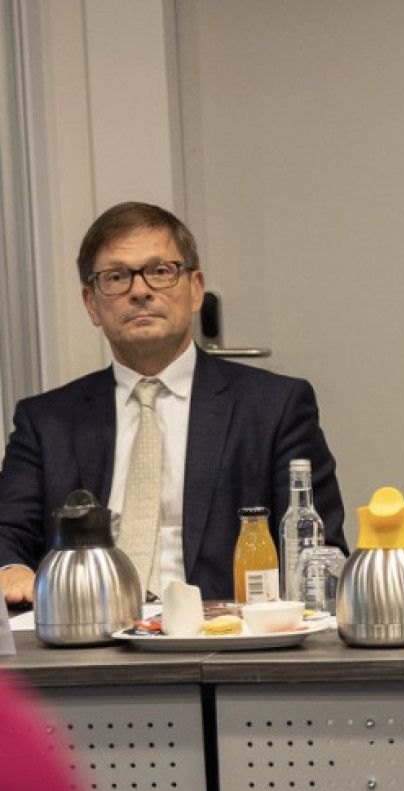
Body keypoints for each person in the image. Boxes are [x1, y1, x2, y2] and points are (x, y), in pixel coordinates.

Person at [0, 202, 345, 603]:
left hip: (227, 630)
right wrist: (10, 568)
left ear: (196, 289)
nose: (140, 291)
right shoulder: (47, 421)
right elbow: (8, 532)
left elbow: (317, 552)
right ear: (91, 303)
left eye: (161, 271)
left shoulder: (274, 407)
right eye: (116, 277)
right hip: (88, 628)